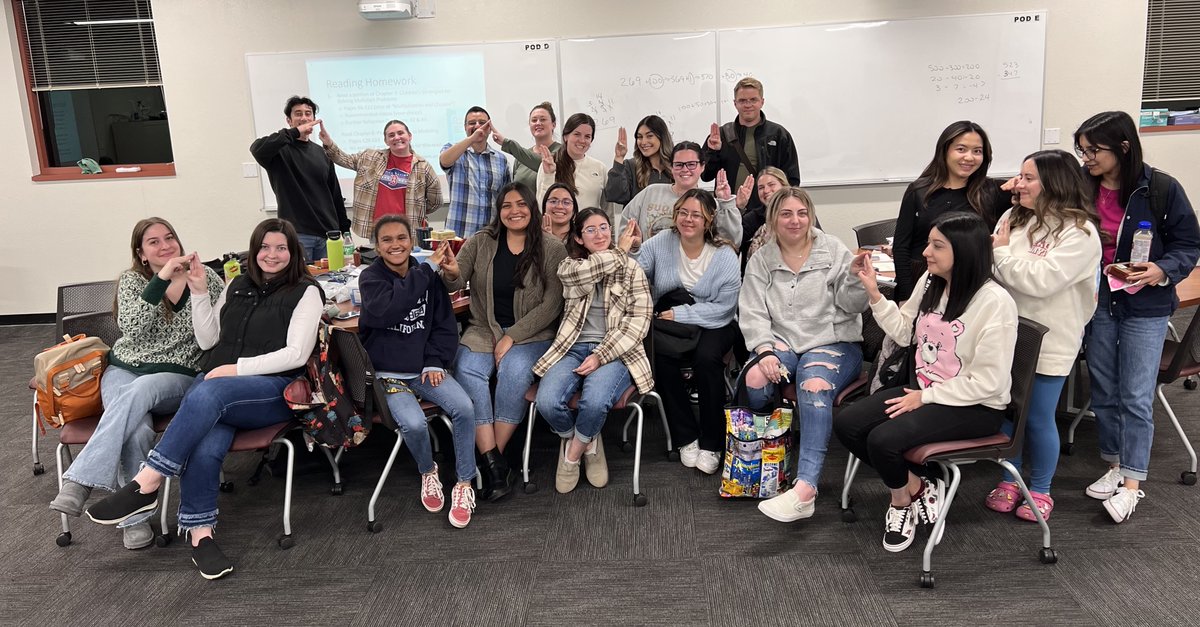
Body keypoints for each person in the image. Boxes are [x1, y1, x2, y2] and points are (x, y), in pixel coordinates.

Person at [84, 218, 324, 580]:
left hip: (271, 389)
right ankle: (200, 534)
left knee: (207, 390)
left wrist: (236, 369)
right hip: (218, 387)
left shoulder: (306, 290)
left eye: (280, 248)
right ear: (253, 250)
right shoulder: (238, 284)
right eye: (264, 247)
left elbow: (295, 354)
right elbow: (209, 340)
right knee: (205, 443)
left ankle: (147, 481)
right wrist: (198, 292)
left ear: (293, 253)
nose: (271, 255)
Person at [833, 211, 1018, 553]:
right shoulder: (932, 282)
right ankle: (916, 487)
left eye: (937, 246)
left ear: (964, 252)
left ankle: (900, 505)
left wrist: (927, 397)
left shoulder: (995, 303)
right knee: (847, 423)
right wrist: (873, 292)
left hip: (974, 404)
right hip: (924, 390)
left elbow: (990, 382)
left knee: (883, 440)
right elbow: (905, 333)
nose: (926, 253)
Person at [49, 218, 224, 550]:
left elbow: (209, 339)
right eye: (153, 242)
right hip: (124, 368)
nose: (164, 245)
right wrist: (160, 279)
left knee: (139, 392)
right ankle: (134, 521)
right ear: (141, 253)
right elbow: (132, 329)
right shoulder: (133, 280)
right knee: (138, 429)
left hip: (177, 375)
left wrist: (193, 285)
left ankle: (79, 480)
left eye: (169, 238)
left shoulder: (206, 278)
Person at [1073, 111, 1200, 523]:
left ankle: (1132, 483)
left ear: (1123, 148)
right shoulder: (1081, 186)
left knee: (1136, 395)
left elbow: (1188, 243)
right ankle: (1114, 465)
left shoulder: (1159, 188)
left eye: (1094, 150)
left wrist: (1163, 269)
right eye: (1082, 149)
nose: (1086, 157)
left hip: (1144, 304)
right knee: (1105, 389)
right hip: (1099, 302)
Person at [981, 149, 1102, 522]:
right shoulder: (1012, 218)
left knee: (1036, 416)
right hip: (1007, 333)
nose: (1018, 183)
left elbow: (1042, 281)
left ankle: (1042, 489)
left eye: (1027, 177)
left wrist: (1001, 256)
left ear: (1055, 182)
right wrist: (999, 256)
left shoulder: (1080, 233)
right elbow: (995, 267)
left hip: (1052, 338)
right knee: (1005, 409)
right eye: (1019, 176)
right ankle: (1010, 479)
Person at [741, 188, 868, 522]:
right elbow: (752, 313)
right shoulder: (762, 259)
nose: (794, 221)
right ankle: (771, 457)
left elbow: (853, 306)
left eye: (801, 213)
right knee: (755, 378)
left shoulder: (833, 249)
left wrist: (856, 279)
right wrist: (765, 351)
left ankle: (805, 489)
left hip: (833, 341)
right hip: (782, 341)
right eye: (785, 214)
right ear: (773, 219)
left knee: (812, 385)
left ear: (811, 216)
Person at [439, 182, 567, 500]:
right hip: (484, 328)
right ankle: (495, 462)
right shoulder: (482, 241)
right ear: (499, 211)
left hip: (532, 333)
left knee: (514, 370)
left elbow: (553, 304)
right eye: (506, 205)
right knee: (467, 368)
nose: (514, 211)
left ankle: (485, 458)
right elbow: (455, 280)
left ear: (532, 208)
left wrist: (512, 336)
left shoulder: (551, 247)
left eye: (521, 204)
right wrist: (451, 271)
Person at [359, 215, 477, 527]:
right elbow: (389, 309)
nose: (395, 244)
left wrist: (436, 361)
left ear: (412, 241)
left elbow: (443, 325)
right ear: (377, 246)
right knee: (413, 424)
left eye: (401, 238)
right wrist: (425, 270)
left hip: (425, 368)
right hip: (389, 373)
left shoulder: (428, 275)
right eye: (387, 240)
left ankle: (465, 482)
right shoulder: (370, 279)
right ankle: (428, 471)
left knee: (464, 408)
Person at [532, 207, 654, 493]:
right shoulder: (570, 267)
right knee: (547, 401)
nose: (599, 234)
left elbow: (639, 322)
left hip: (615, 352)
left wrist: (601, 355)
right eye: (591, 230)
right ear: (578, 238)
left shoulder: (632, 268)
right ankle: (588, 439)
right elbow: (586, 274)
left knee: (595, 402)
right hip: (571, 348)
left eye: (604, 228)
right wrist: (620, 251)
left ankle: (572, 454)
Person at [636, 189, 741, 473]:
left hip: (714, 322)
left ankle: (712, 443)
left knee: (707, 359)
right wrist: (630, 251)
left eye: (696, 214)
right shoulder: (661, 242)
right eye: (683, 212)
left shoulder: (724, 255)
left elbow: (724, 308)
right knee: (661, 358)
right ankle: (685, 437)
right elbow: (635, 271)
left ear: (708, 220)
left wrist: (683, 314)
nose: (688, 219)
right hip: (671, 321)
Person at [892, 120, 1013, 301]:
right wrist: (906, 297)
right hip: (921, 279)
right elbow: (901, 247)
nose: (969, 157)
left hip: (971, 284)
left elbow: (1043, 193)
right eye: (961, 149)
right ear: (945, 150)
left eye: (977, 151)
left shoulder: (994, 191)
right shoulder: (919, 190)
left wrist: (1020, 181)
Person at [702, 77, 801, 256]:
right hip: (731, 213)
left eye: (753, 100)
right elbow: (706, 175)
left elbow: (792, 180)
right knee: (728, 259)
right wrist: (713, 151)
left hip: (765, 214)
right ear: (735, 103)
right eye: (742, 100)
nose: (748, 105)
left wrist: (782, 210)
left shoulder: (779, 134)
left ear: (762, 101)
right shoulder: (722, 134)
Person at [250, 96, 349, 262]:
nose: (304, 118)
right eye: (298, 114)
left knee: (334, 283)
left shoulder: (322, 152)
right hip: (298, 234)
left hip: (329, 235)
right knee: (301, 283)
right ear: (289, 120)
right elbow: (257, 149)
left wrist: (344, 229)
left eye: (308, 114)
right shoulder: (278, 152)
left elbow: (334, 194)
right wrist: (295, 132)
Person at [320, 119, 441, 241]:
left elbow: (435, 201)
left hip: (408, 231)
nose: (397, 137)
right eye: (391, 135)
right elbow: (344, 159)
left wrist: (416, 209)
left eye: (400, 133)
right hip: (377, 230)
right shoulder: (370, 157)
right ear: (386, 141)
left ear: (409, 136)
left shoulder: (423, 166)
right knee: (378, 260)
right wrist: (328, 142)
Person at [617, 141, 742, 245]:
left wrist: (726, 203)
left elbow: (731, 241)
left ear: (702, 166)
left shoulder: (711, 203)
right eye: (679, 165)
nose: (685, 169)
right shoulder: (651, 192)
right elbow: (626, 226)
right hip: (648, 269)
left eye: (691, 164)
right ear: (671, 167)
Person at [440, 106, 514, 238]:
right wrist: (472, 139)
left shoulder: (501, 159)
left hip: (489, 236)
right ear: (465, 127)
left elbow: (505, 198)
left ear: (490, 127)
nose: (478, 127)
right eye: (472, 123)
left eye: (482, 123)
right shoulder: (453, 150)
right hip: (458, 235)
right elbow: (444, 161)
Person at [536, 113, 608, 211]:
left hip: (589, 226)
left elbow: (607, 210)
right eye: (577, 134)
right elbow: (541, 207)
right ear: (566, 136)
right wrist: (549, 175)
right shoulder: (550, 164)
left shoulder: (600, 167)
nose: (582, 140)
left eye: (587, 136)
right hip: (559, 225)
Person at [604, 115, 674, 207]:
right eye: (639, 137)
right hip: (636, 221)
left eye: (649, 136)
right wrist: (619, 158)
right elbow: (614, 195)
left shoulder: (677, 167)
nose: (643, 142)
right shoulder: (631, 166)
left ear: (662, 137)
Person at [494, 101, 562, 191]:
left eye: (543, 119)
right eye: (534, 120)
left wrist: (507, 144)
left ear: (554, 124)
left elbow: (544, 165)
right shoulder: (520, 159)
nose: (538, 123)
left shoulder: (562, 151)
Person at [741, 166, 791, 259]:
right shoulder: (753, 217)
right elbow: (731, 240)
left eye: (771, 185)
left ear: (784, 186)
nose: (766, 191)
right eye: (761, 188)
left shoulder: (800, 213)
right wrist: (739, 207)